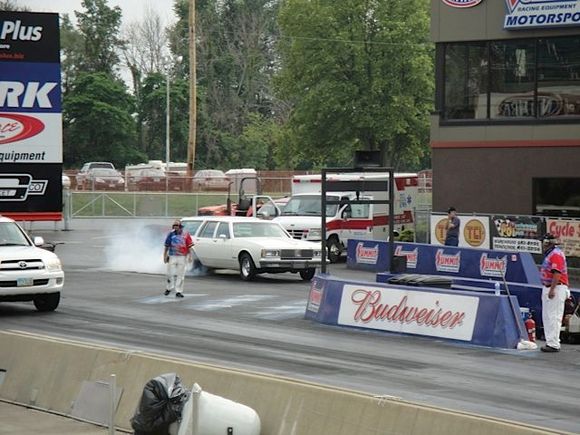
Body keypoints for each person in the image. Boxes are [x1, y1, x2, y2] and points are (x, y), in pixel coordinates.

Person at [539, 233, 570, 353]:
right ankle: (549, 341)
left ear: (548, 243)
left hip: (556, 288)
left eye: (544, 243)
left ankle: (554, 343)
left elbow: (557, 273)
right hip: (549, 287)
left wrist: (552, 289)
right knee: (547, 316)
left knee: (554, 316)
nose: (543, 245)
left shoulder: (556, 254)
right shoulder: (551, 254)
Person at [163, 219, 193, 298]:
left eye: (177, 225)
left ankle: (178, 291)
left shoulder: (186, 234)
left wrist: (190, 256)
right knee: (170, 273)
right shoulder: (171, 234)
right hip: (172, 256)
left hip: (182, 256)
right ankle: (169, 288)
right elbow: (166, 245)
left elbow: (189, 246)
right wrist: (165, 255)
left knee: (181, 274)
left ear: (180, 226)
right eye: (174, 225)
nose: (175, 227)